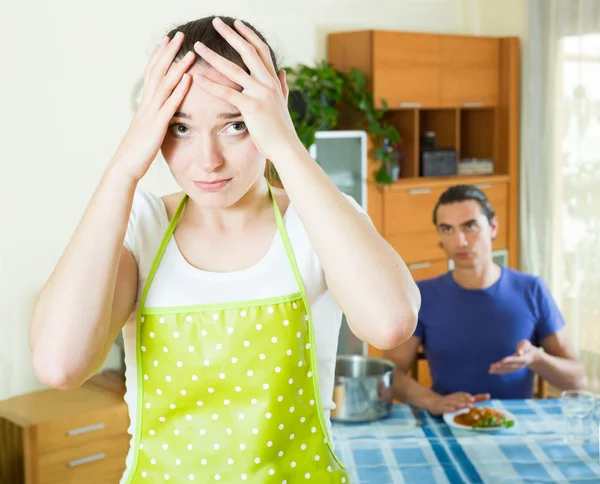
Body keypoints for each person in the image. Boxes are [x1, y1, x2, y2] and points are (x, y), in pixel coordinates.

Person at [30, 15, 420, 482]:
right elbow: (60, 365)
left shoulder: (315, 220)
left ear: (274, 103)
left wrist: (286, 145)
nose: (208, 160)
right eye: (179, 128)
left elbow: (391, 323)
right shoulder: (141, 225)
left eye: (235, 124)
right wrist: (122, 170)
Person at [385, 184, 586, 416]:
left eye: (470, 226)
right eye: (447, 229)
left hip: (518, 425)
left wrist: (536, 359)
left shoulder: (531, 289)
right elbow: (392, 374)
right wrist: (432, 401)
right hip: (448, 424)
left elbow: (577, 380)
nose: (460, 241)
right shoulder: (422, 295)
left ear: (493, 227)